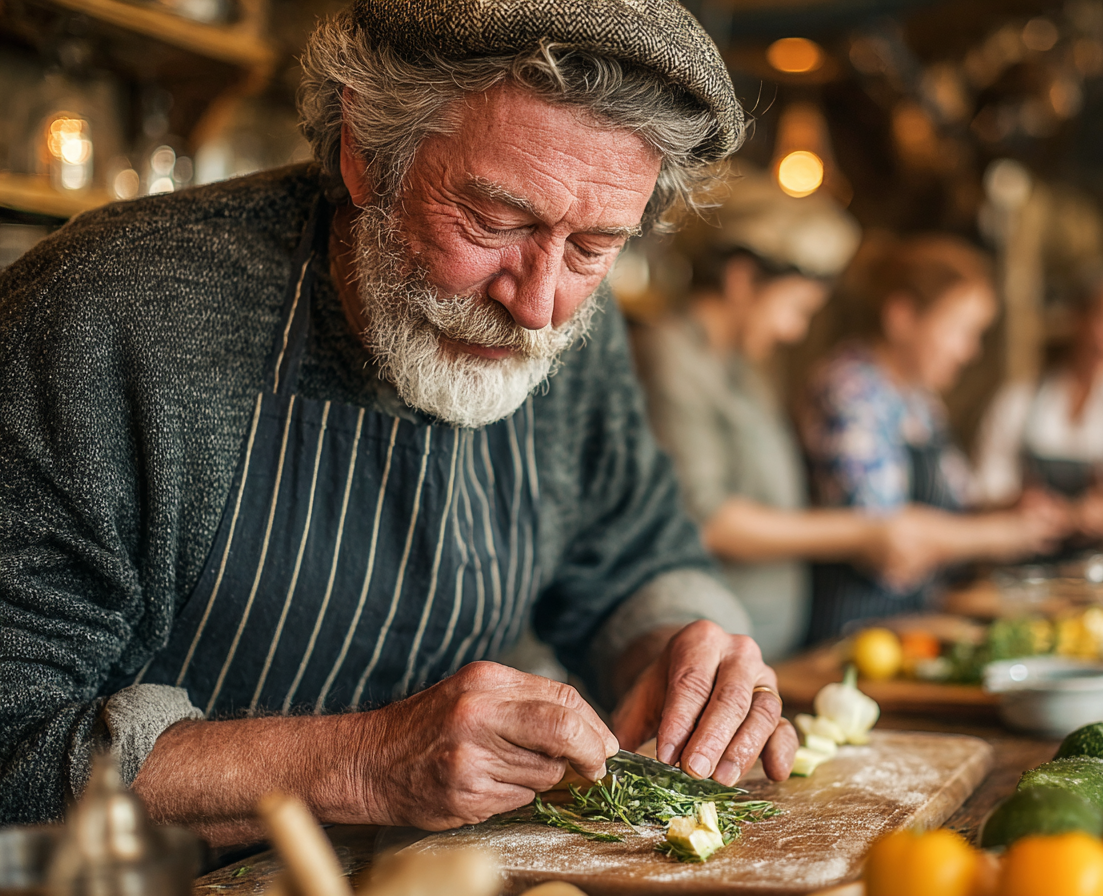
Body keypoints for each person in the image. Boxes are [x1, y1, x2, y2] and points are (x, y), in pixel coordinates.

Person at [0, 0, 798, 845]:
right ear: (364, 152)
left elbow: (634, 555)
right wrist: (361, 762)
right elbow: (11, 746)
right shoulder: (109, 319)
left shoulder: (571, 332)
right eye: (494, 223)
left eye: (595, 247)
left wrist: (678, 655)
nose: (536, 307)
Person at [633, 173, 877, 660]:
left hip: (764, 644)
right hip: (702, 649)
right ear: (742, 278)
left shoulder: (745, 365)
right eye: (797, 308)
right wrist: (869, 532)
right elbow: (708, 520)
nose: (795, 330)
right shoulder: (669, 355)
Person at [802, 234, 1067, 641]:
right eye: (962, 330)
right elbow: (888, 544)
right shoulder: (850, 391)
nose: (970, 351)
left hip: (912, 627)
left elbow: (956, 505)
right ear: (902, 316)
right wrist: (1003, 534)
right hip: (853, 638)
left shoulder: (920, 399)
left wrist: (1008, 508)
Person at [975, 252, 1103, 545]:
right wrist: (1016, 504)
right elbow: (981, 493)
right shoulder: (1017, 401)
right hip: (1026, 569)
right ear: (1078, 316)